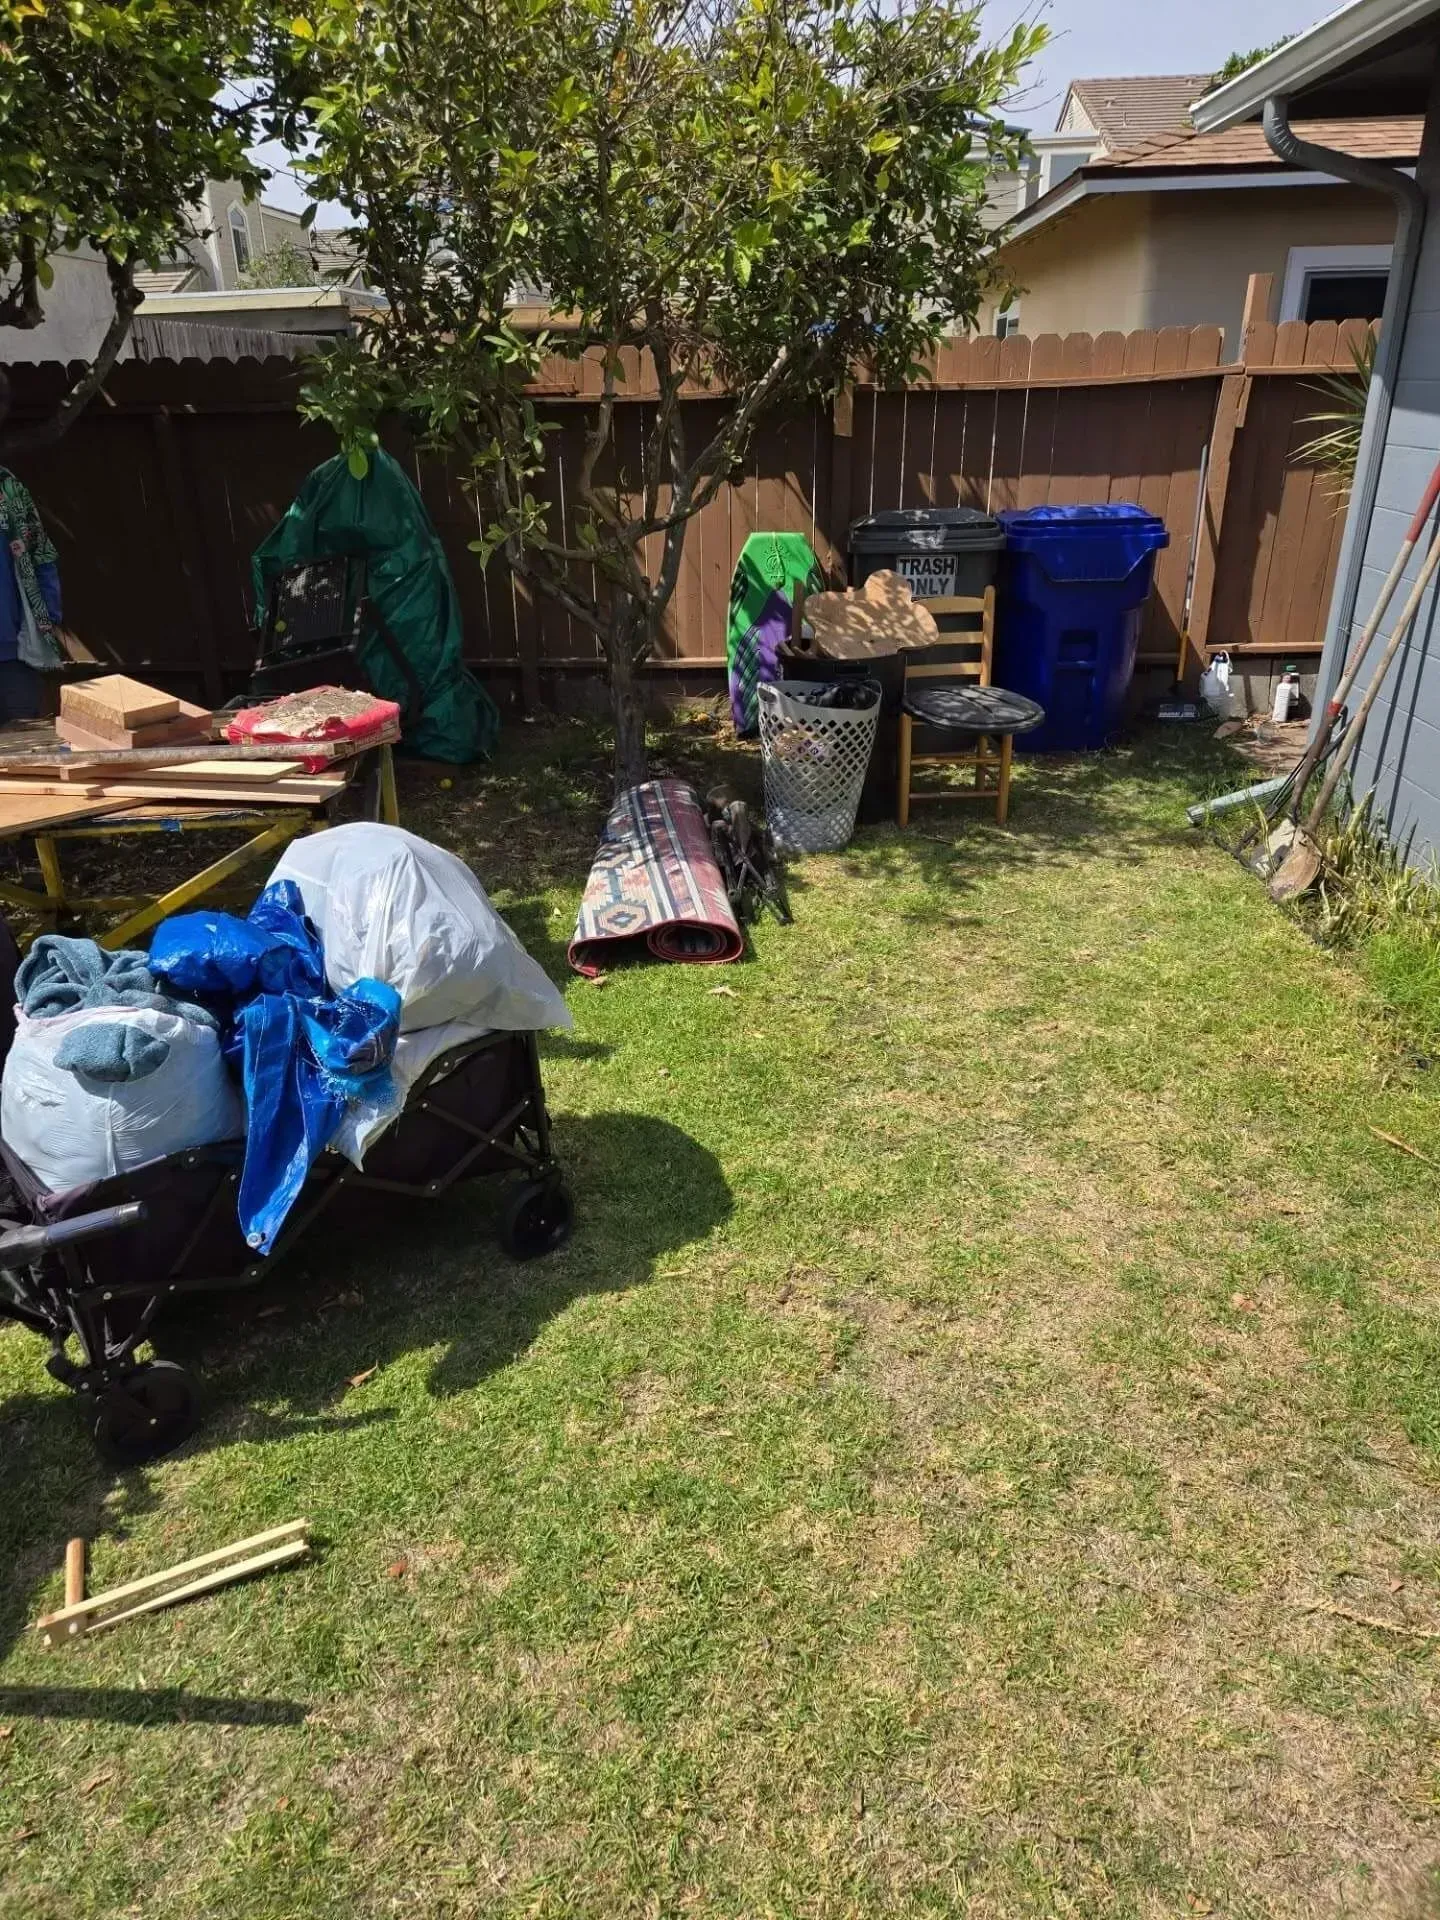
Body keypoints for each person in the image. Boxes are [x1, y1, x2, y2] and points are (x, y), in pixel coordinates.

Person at [0, 370, 62, 720]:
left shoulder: (9, 488)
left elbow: (42, 555)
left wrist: (47, 617)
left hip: (15, 653)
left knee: (25, 754)